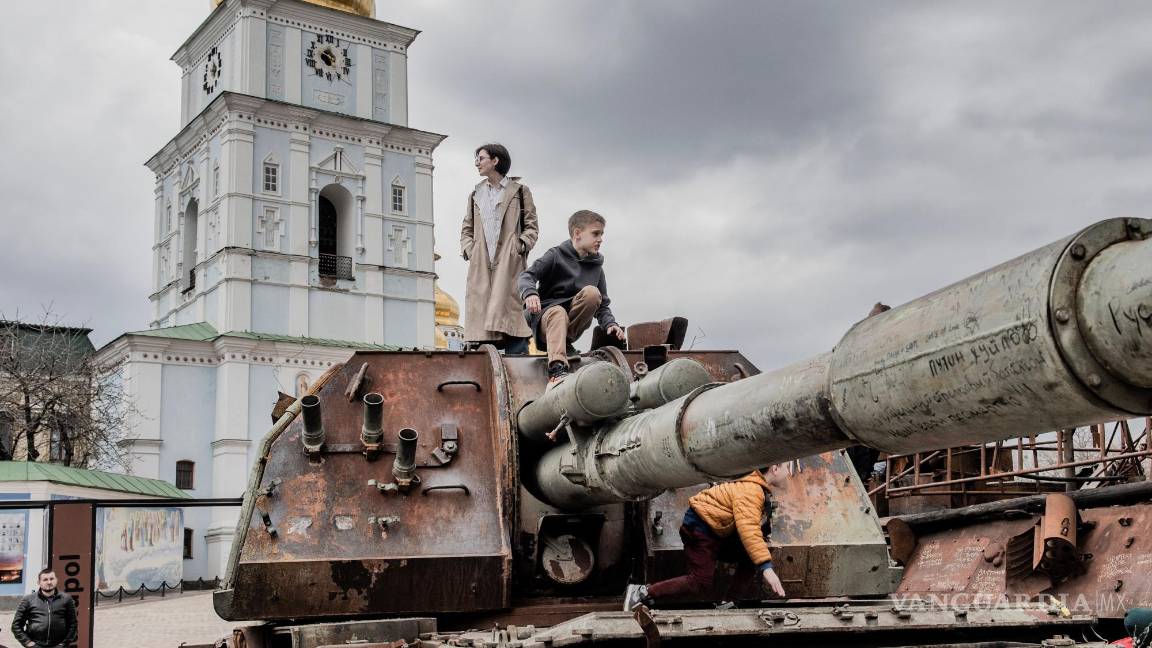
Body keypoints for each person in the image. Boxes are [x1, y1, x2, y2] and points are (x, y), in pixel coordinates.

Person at [623, 466, 789, 611]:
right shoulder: (752, 491)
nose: (789, 472)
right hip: (700, 528)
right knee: (699, 581)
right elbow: (749, 529)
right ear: (775, 469)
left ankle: (729, 603)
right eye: (786, 467)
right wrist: (766, 567)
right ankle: (642, 592)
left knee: (750, 557)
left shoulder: (754, 485)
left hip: (714, 530)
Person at [517, 210, 624, 384]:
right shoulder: (555, 255)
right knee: (558, 311)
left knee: (592, 293)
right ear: (577, 234)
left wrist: (610, 323)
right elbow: (527, 276)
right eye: (595, 233)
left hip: (570, 322)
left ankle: (565, 342)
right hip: (546, 317)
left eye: (602, 234)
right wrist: (530, 293)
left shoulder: (596, 267)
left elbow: (602, 304)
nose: (600, 239)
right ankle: (557, 368)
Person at [460, 143, 539, 355]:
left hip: (510, 263)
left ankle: (519, 375)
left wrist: (520, 245)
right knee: (484, 335)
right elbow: (467, 229)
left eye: (482, 158)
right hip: (481, 265)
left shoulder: (520, 192)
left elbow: (531, 226)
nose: (477, 163)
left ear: (495, 161)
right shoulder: (475, 194)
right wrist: (471, 250)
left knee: (513, 325)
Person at [11, 568, 78, 648]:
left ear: (56, 580)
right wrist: (28, 642)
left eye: (52, 579)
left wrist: (64, 644)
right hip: (36, 645)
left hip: (59, 645)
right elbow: (16, 625)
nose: (49, 582)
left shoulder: (66, 599)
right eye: (45, 579)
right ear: (39, 582)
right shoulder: (28, 600)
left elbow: (73, 624)